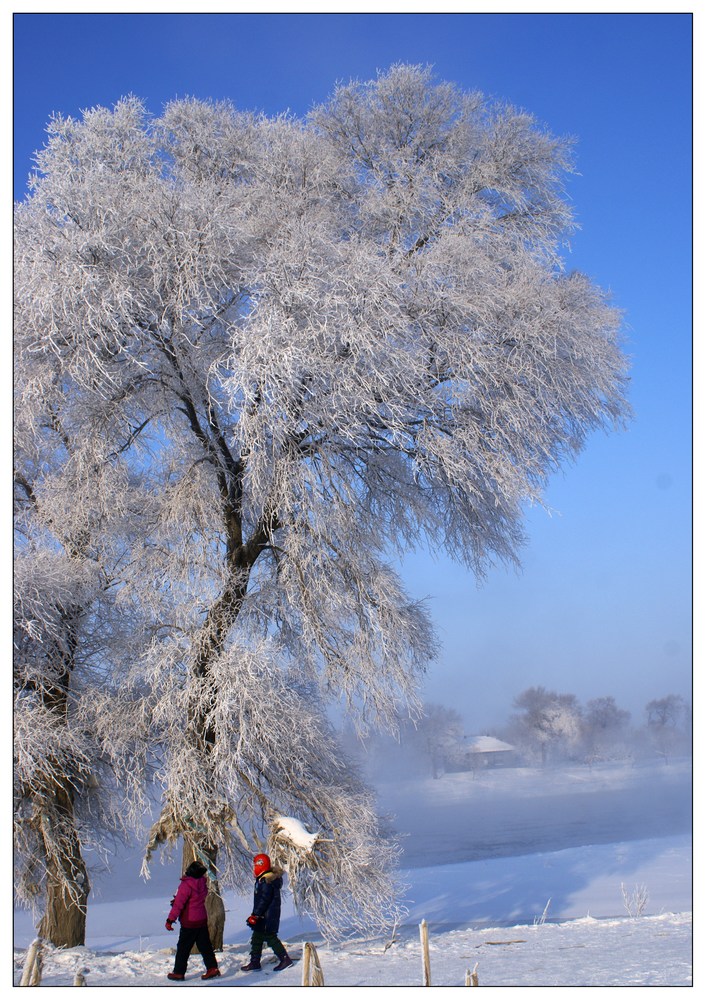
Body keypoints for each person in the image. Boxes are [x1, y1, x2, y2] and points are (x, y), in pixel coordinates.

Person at [165, 860, 221, 981]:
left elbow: (179, 905)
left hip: (189, 922)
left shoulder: (186, 885)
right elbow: (195, 898)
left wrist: (170, 920)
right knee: (205, 946)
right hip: (201, 920)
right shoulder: (202, 883)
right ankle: (212, 968)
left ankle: (179, 972)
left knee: (183, 948)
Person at [240, 853, 293, 972]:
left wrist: (256, 915)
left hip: (267, 916)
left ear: (261, 865)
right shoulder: (263, 879)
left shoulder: (266, 881)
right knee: (257, 937)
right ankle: (255, 962)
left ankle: (285, 959)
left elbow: (264, 900)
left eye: (255, 865)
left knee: (270, 937)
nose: (254, 868)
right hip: (264, 915)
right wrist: (255, 915)